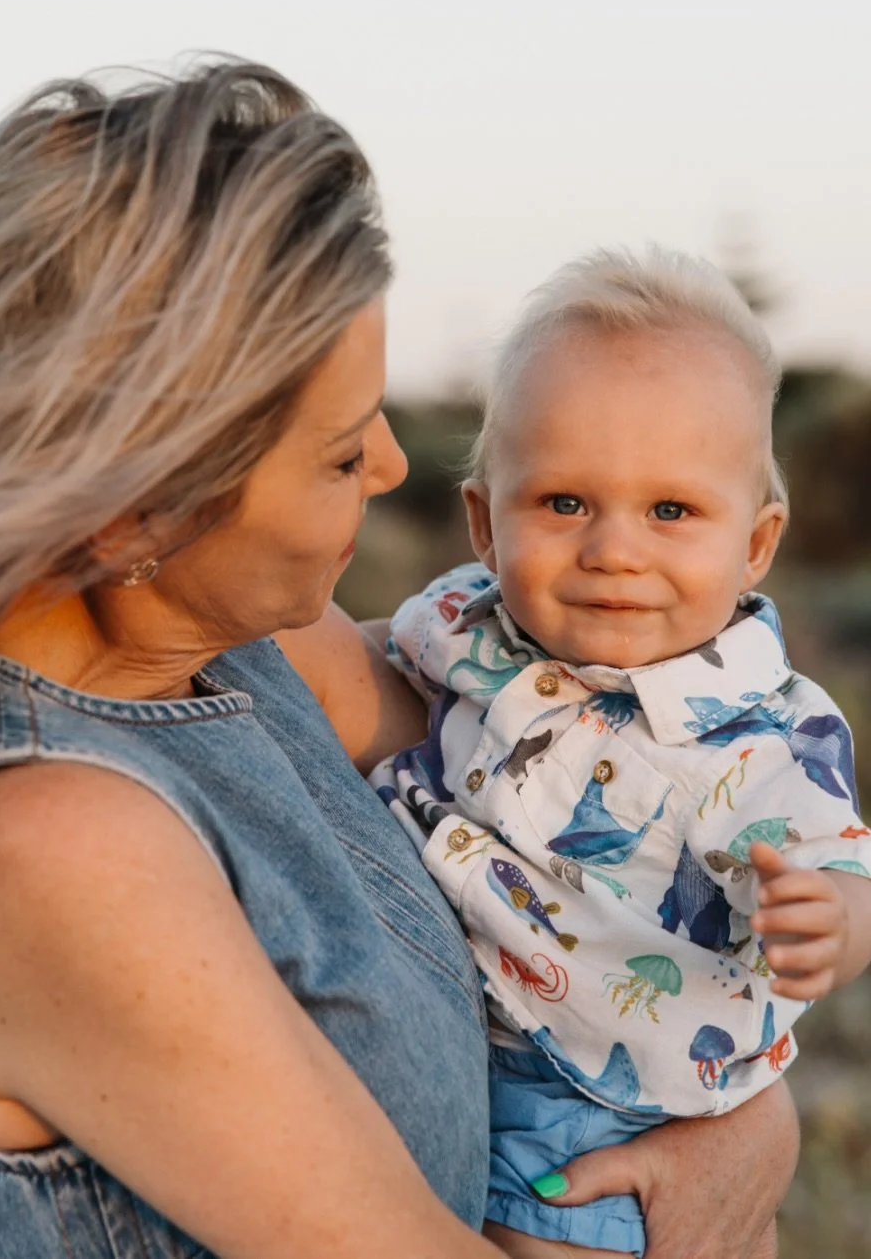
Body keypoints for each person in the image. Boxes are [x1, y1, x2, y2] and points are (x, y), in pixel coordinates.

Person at [0, 65, 796, 1259]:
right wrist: (733, 1152)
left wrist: (751, 1121)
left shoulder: (233, 652)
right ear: (136, 501)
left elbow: (596, 746)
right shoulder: (42, 848)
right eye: (337, 451)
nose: (392, 464)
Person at [342, 248, 870, 1258]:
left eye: (671, 511)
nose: (614, 550)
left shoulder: (761, 730)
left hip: (617, 1097)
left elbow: (837, 861)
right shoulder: (470, 628)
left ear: (755, 545)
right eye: (564, 504)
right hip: (471, 1032)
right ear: (484, 523)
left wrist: (832, 922)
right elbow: (352, 657)